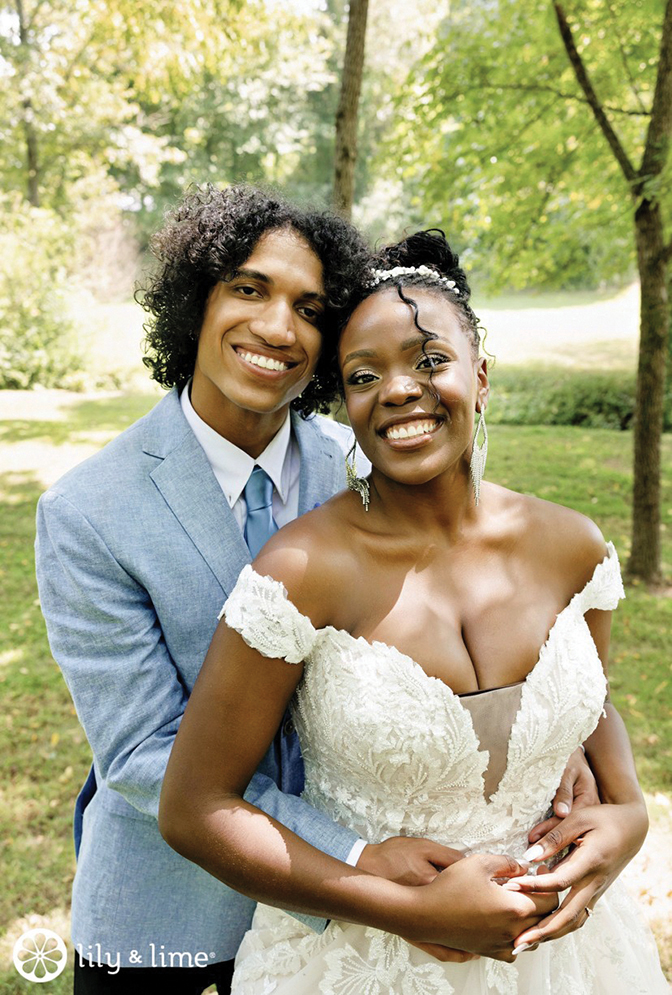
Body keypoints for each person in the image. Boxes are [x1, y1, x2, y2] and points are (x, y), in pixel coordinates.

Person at [36, 190, 592, 994]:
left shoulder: (368, 454)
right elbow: (144, 753)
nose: (276, 327)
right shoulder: (86, 512)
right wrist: (357, 854)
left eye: (309, 307)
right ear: (197, 301)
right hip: (174, 916)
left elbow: (483, 594)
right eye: (249, 288)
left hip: (377, 933)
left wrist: (545, 722)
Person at [159, 230, 668, 993]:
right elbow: (194, 808)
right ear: (347, 404)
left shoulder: (573, 547)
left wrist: (629, 817)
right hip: (368, 962)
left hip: (571, 958)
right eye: (365, 374)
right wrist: (406, 909)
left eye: (430, 360)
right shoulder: (299, 572)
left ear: (482, 377)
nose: (399, 388)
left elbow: (589, 708)